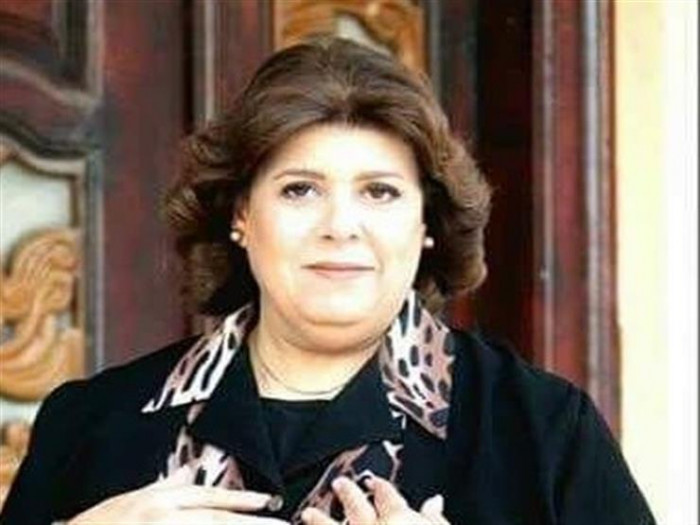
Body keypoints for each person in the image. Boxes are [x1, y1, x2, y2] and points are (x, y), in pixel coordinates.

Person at [1, 37, 654, 525]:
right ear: (240, 215)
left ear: (426, 222)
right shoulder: (90, 424)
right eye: (300, 190)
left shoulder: (540, 428)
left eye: (379, 191)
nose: (341, 226)